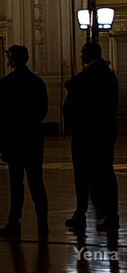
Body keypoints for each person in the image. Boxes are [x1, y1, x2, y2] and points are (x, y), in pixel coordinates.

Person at [0, 44, 49, 238]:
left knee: (16, 185)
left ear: (12, 59)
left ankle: (14, 223)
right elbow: (42, 111)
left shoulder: (4, 84)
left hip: (13, 139)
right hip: (32, 138)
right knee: (37, 183)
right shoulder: (37, 82)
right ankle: (43, 223)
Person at [63, 41, 119, 231]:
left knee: (82, 175)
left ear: (88, 54)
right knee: (106, 173)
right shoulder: (110, 76)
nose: (80, 55)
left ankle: (81, 213)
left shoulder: (83, 78)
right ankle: (112, 215)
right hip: (105, 133)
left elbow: (70, 107)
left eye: (82, 52)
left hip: (85, 135)